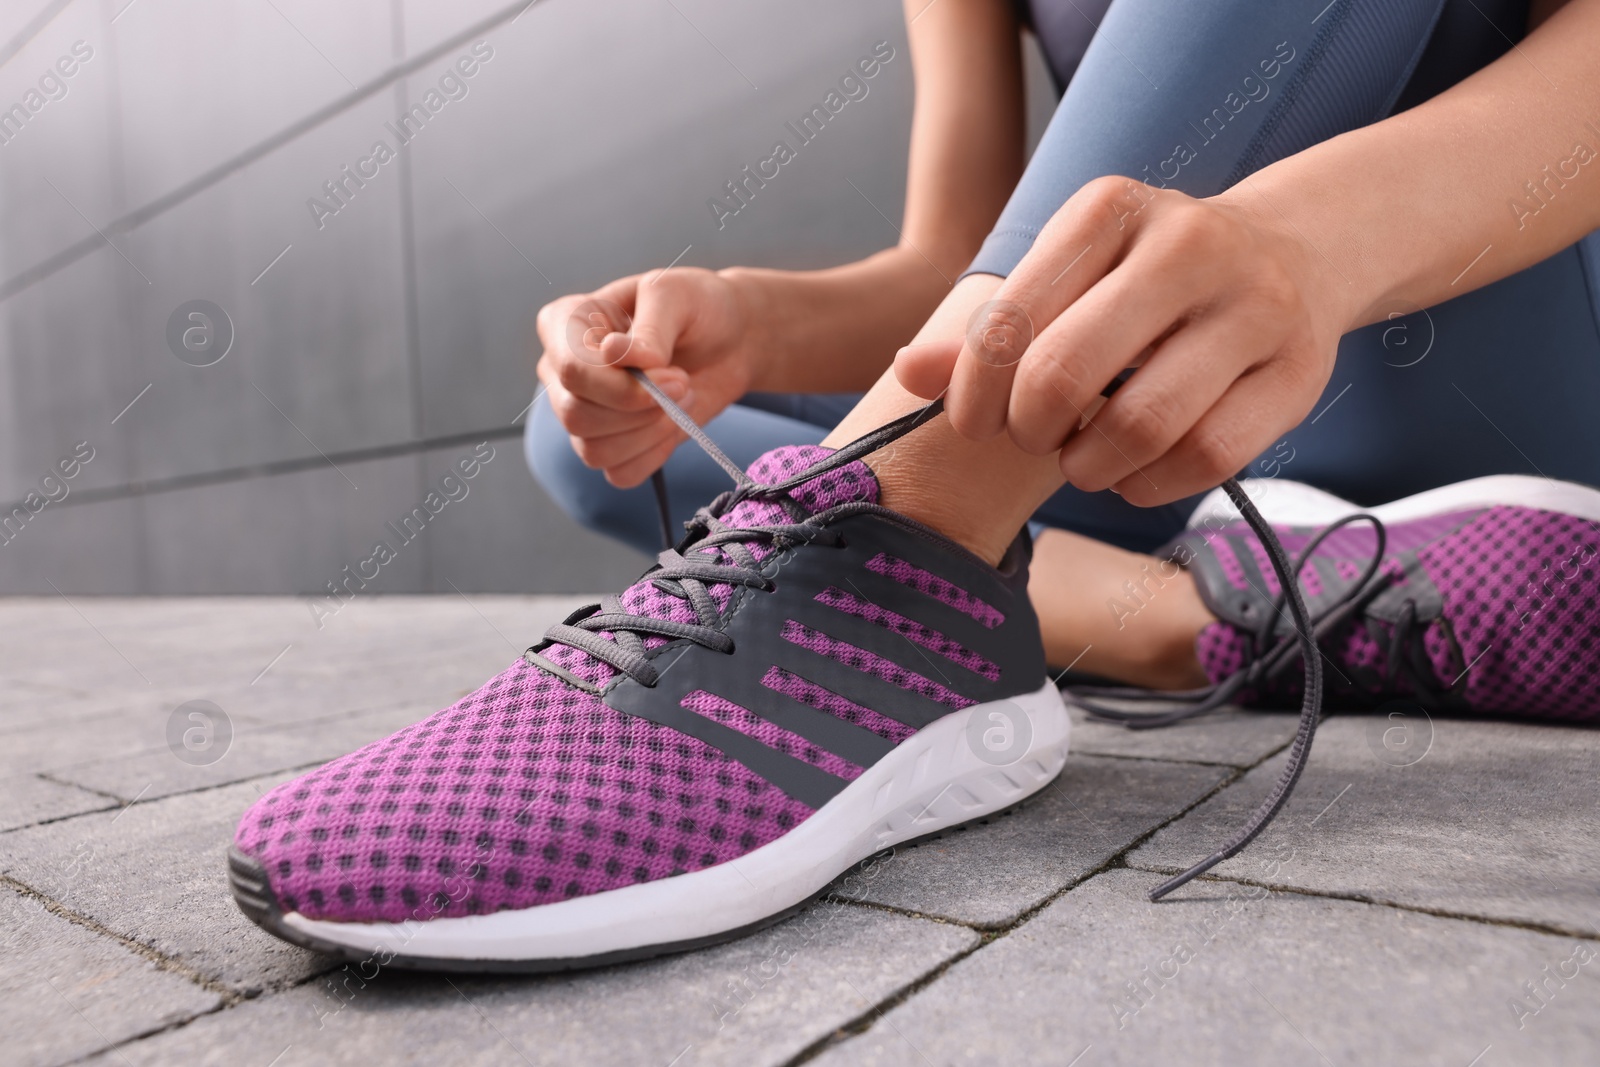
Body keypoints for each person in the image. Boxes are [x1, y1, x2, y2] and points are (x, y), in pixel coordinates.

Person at [225, 0, 1600, 968]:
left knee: (813, 489)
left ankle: (900, 552)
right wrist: (751, 320)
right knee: (595, 442)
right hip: (1177, 424)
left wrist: (1301, 247)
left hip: (1467, 351)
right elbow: (960, 260)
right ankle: (1216, 618)